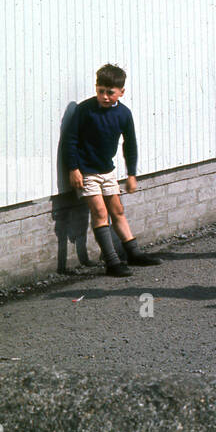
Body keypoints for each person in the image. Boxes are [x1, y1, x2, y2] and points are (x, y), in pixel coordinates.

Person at [65, 63, 161, 277]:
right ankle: (111, 262)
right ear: (96, 88)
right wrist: (73, 169)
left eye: (110, 92)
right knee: (99, 212)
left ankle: (133, 253)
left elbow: (130, 144)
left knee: (117, 210)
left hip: (108, 171)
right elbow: (70, 140)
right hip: (87, 171)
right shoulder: (85, 110)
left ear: (121, 92)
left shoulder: (124, 114)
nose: (105, 97)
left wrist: (132, 174)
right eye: (101, 91)